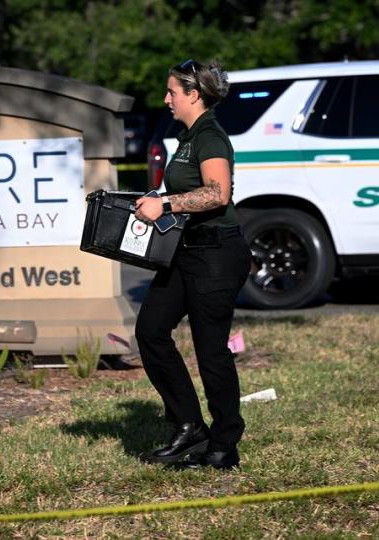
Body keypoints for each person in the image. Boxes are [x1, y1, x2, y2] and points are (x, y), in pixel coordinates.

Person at [133, 59, 250, 470]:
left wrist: (164, 202)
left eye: (172, 92)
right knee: (150, 330)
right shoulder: (187, 137)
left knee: (210, 352)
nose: (166, 99)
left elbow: (218, 194)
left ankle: (223, 445)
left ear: (193, 95)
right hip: (186, 250)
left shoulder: (211, 136)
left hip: (217, 253)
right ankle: (188, 425)